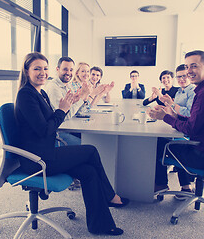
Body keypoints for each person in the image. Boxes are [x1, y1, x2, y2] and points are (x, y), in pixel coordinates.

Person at [15, 52, 129, 236]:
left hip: (47, 152)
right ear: (27, 71)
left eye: (45, 68)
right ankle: (109, 196)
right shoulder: (26, 96)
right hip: (38, 159)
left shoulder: (40, 92)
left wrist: (68, 104)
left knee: (89, 172)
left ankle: (99, 225)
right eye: (37, 68)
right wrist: (62, 109)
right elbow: (45, 129)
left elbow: (50, 121)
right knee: (91, 151)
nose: (42, 72)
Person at [147, 50, 204, 197]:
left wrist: (165, 117)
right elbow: (195, 121)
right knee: (171, 141)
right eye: (187, 66)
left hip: (202, 155)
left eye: (194, 66)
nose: (189, 71)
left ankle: (160, 184)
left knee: (158, 143)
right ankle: (181, 186)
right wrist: (173, 115)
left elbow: (190, 129)